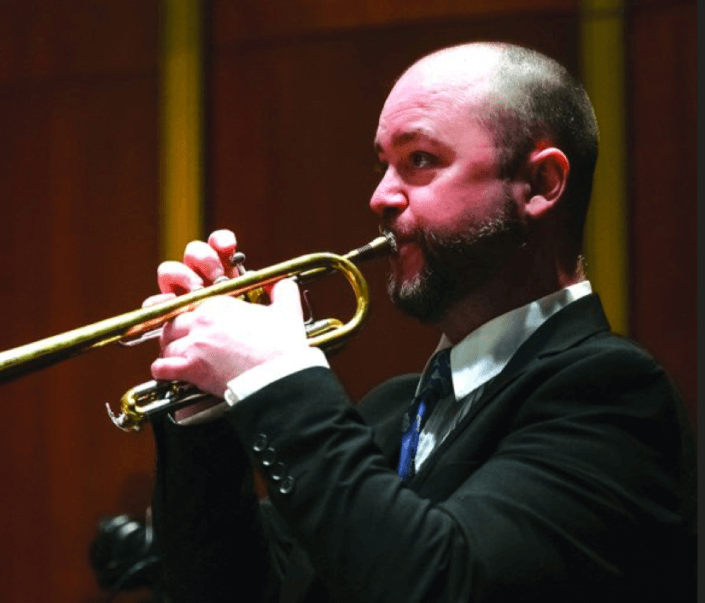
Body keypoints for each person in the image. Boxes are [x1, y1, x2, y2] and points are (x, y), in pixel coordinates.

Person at [142, 42, 697, 602]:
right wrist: (205, 412)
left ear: (540, 184)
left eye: (421, 160)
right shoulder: (388, 414)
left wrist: (278, 379)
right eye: (383, 165)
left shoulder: (613, 395)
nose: (380, 197)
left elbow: (440, 585)